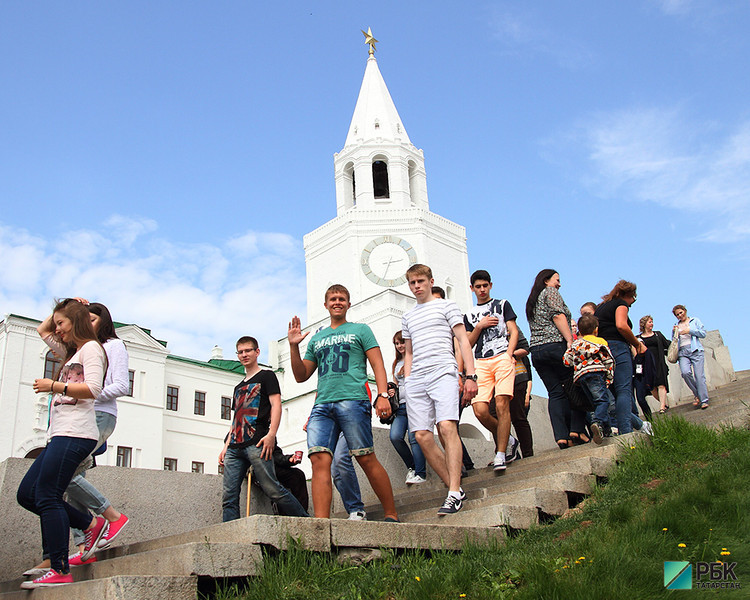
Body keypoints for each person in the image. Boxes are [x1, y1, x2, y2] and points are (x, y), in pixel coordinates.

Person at [23, 301, 131, 576]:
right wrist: (66, 306)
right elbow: (43, 330)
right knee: (37, 492)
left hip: (93, 419)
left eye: (63, 323)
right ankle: (89, 528)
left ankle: (101, 526)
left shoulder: (104, 347)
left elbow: (104, 387)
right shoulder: (74, 352)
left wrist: (62, 387)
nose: (58, 330)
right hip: (64, 427)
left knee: (58, 484)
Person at [287, 284, 398, 521]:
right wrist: (293, 347)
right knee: (318, 460)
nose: (337, 302)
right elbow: (300, 375)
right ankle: (321, 523)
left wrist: (383, 395)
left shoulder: (361, 329)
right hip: (322, 406)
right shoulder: (317, 338)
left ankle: (391, 513)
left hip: (353, 400)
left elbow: (378, 363)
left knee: (365, 457)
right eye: (333, 299)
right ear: (325, 305)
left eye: (342, 298)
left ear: (349, 304)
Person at [401, 264, 478, 515]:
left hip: (443, 371)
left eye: (420, 281)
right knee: (422, 436)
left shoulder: (447, 306)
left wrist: (470, 375)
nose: (416, 286)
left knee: (446, 427)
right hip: (417, 379)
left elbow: (463, 341)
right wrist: (409, 379)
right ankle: (454, 488)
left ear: (430, 281)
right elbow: (409, 351)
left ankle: (453, 492)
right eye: (412, 283)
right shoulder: (408, 316)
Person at [219, 336, 308, 522]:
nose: (244, 355)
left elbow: (276, 405)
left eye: (248, 351)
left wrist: (271, 435)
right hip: (235, 447)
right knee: (229, 497)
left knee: (273, 489)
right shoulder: (238, 387)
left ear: (257, 352)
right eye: (240, 352)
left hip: (257, 442)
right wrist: (226, 446)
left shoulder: (267, 376)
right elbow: (236, 418)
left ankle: (305, 521)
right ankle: (230, 535)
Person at [463, 270, 520, 471]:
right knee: (480, 410)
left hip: (502, 356)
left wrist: (509, 353)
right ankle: (509, 440)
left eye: (485, 285)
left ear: (490, 285)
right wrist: (479, 326)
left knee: (502, 403)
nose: (482, 289)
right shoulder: (469, 315)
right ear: (472, 289)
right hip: (481, 361)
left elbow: (514, 330)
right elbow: (467, 343)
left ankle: (501, 453)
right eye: (478, 286)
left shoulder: (502, 304)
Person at [526, 269, 586, 449]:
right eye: (557, 280)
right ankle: (577, 429)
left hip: (537, 351)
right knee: (577, 385)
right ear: (546, 281)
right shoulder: (550, 292)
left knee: (555, 392)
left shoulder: (533, 300)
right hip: (555, 346)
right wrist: (570, 340)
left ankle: (561, 436)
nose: (559, 284)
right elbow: (558, 315)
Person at [594, 281, 650, 435]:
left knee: (614, 394)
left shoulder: (601, 307)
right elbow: (621, 325)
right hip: (618, 347)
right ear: (628, 294)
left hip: (603, 351)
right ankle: (626, 432)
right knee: (624, 390)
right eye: (633, 298)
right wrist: (637, 344)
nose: (632, 302)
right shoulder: (620, 304)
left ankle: (637, 425)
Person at [432, 286, 474, 474]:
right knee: (442, 425)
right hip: (434, 379)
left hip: (452, 378)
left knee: (447, 424)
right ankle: (462, 463)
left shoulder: (451, 327)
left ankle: (461, 465)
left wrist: (460, 377)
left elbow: (459, 350)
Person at [563, 315, 615, 445]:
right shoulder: (599, 341)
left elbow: (566, 360)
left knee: (596, 403)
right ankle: (597, 423)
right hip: (596, 373)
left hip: (581, 377)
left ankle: (606, 430)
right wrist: (609, 377)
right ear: (596, 329)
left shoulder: (576, 344)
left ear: (579, 330)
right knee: (603, 401)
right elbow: (608, 359)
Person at [389, 331, 427, 484]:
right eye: (397, 344)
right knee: (395, 436)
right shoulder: (396, 363)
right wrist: (392, 389)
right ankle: (412, 467)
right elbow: (396, 383)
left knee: (414, 438)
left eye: (402, 342)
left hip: (414, 404)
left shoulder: (415, 359)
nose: (399, 346)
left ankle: (421, 473)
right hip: (401, 407)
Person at [672, 305, 709, 409]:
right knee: (685, 373)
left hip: (695, 349)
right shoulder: (676, 325)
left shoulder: (695, 320)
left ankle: (704, 400)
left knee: (699, 376)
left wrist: (689, 331)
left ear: (685, 311)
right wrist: (675, 333)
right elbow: (674, 340)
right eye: (677, 314)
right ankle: (697, 394)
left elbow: (703, 333)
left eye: (681, 312)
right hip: (682, 352)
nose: (680, 315)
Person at [636, 316, 671, 414]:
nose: (652, 324)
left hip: (659, 362)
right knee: (651, 387)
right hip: (647, 364)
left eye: (652, 322)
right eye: (650, 322)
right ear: (644, 324)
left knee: (661, 384)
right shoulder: (638, 338)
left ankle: (662, 407)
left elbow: (667, 344)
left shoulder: (657, 335)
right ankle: (664, 404)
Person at [271, 446, 309, 514]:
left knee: (297, 475)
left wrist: (289, 459)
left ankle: (302, 514)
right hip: (259, 467)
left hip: (273, 467)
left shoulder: (270, 436)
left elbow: (276, 456)